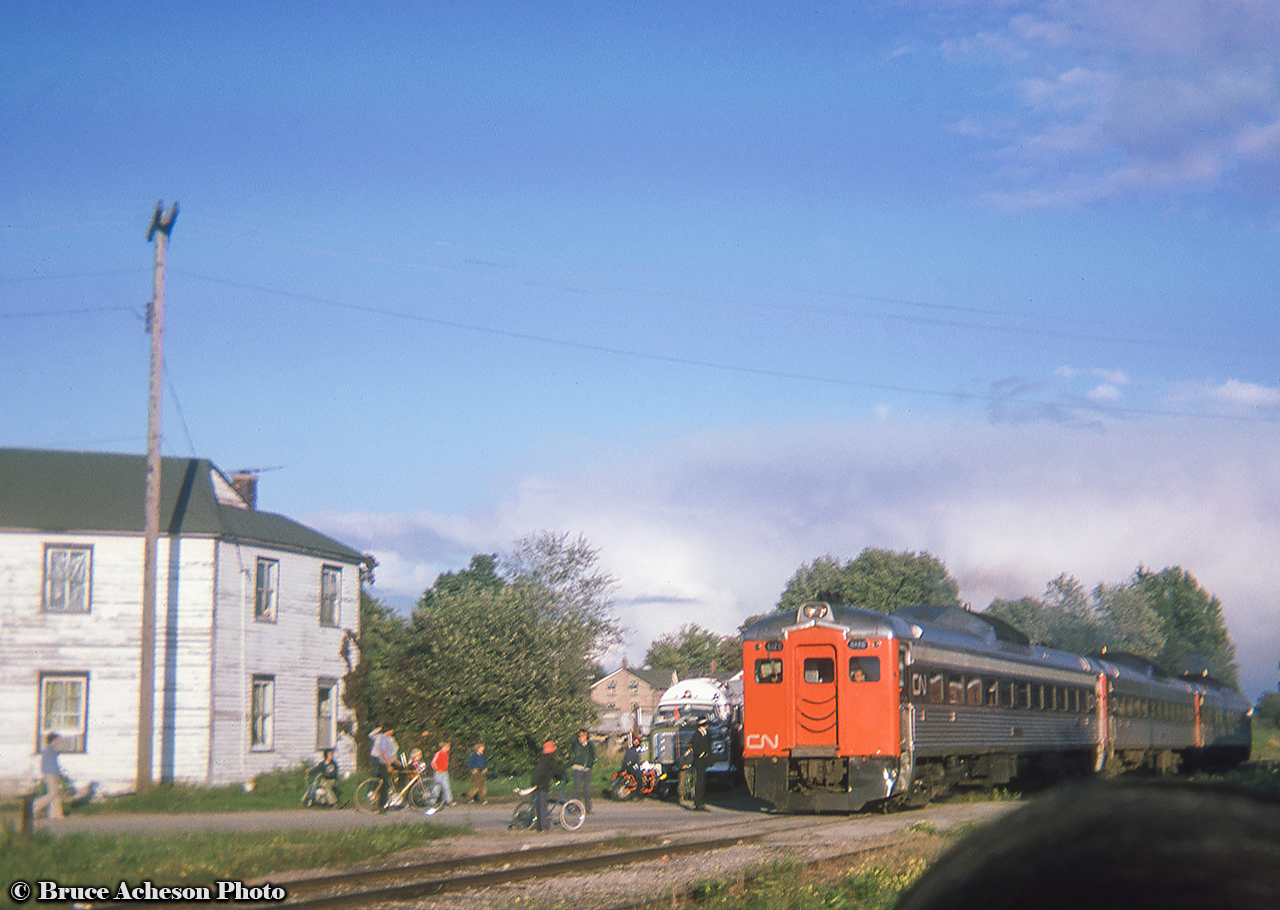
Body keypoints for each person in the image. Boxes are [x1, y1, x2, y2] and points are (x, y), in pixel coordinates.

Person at [531, 740, 564, 832]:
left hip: (535, 782)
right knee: (542, 805)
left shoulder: (542, 758)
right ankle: (544, 826)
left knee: (538, 805)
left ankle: (539, 825)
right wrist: (561, 777)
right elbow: (556, 770)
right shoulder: (551, 760)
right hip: (542, 783)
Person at [33, 732, 66, 819]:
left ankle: (55, 815)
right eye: (57, 739)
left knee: (55, 795)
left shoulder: (50, 750)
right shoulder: (49, 750)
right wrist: (57, 775)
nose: (58, 741)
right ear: (53, 740)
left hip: (49, 773)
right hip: (50, 774)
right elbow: (52, 765)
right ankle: (35, 805)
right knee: (53, 793)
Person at [368, 725, 398, 813]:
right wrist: (389, 764)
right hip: (380, 760)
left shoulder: (385, 738)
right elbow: (384, 752)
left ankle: (376, 795)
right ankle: (380, 803)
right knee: (382, 780)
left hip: (380, 760)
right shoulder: (383, 737)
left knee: (379, 779)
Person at [686, 717, 712, 811]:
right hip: (699, 761)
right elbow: (695, 746)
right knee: (699, 782)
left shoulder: (706, 734)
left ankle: (701, 801)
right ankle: (698, 802)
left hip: (704, 760)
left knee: (702, 781)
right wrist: (701, 754)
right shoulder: (697, 734)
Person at [570, 729, 595, 813]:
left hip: (587, 769)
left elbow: (593, 755)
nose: (582, 738)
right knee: (577, 788)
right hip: (578, 768)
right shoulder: (576, 744)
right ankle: (575, 807)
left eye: (583, 736)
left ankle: (588, 807)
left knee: (587, 789)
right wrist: (576, 734)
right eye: (580, 736)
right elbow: (571, 740)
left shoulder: (589, 745)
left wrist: (591, 763)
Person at [431, 740, 454, 807]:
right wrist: (436, 769)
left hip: (444, 772)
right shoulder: (439, 753)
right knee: (436, 788)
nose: (448, 748)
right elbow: (433, 763)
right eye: (447, 746)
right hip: (438, 773)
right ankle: (432, 801)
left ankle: (449, 801)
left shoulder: (446, 754)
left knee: (446, 787)